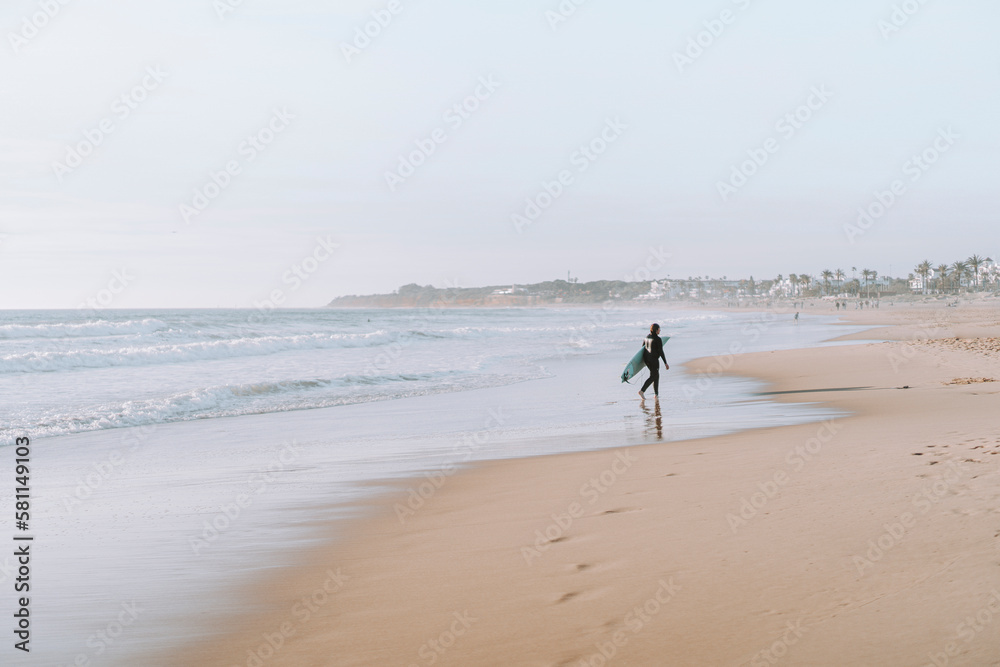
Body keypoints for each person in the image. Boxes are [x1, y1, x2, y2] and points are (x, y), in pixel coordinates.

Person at [638, 323, 669, 401]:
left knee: (656, 375)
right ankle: (642, 391)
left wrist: (642, 362)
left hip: (647, 360)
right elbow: (661, 351)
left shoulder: (646, 337)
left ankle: (656, 394)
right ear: (656, 330)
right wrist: (665, 363)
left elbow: (642, 349)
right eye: (659, 329)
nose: (660, 330)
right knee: (654, 376)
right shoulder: (658, 339)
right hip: (654, 360)